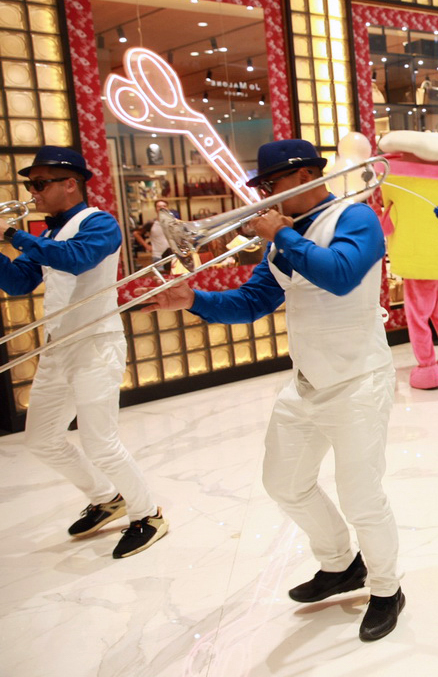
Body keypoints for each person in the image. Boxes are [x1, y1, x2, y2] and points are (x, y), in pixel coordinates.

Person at [140, 139, 404, 641]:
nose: (264, 196)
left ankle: (388, 589)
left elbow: (341, 275)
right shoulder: (282, 238)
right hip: (306, 382)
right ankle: (341, 564)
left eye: (270, 184)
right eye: (261, 187)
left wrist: (282, 233)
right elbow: (253, 301)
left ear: (305, 175)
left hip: (358, 382)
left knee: (362, 497)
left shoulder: (355, 218)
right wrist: (192, 300)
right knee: (284, 482)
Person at [0, 146, 166, 558]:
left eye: (40, 183)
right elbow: (19, 283)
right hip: (58, 347)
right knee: (41, 439)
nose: (33, 192)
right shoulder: (47, 235)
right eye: (31, 185)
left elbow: (76, 260)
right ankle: (107, 497)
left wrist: (12, 235)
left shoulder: (99, 223)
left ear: (70, 183)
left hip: (95, 345)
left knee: (100, 442)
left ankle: (148, 515)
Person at [132, 199, 177, 272]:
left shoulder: (173, 222)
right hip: (158, 256)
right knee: (161, 277)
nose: (162, 208)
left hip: (173, 256)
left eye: (164, 206)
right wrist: (146, 246)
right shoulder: (151, 223)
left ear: (167, 208)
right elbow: (136, 233)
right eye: (159, 206)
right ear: (156, 209)